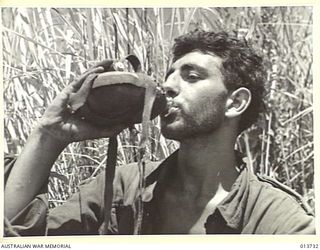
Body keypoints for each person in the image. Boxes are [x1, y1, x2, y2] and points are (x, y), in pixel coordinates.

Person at [4, 30, 315, 235]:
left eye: (191, 76)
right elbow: (16, 236)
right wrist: (49, 135)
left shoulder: (276, 219)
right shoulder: (121, 188)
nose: (167, 86)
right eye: (169, 75)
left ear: (235, 103)